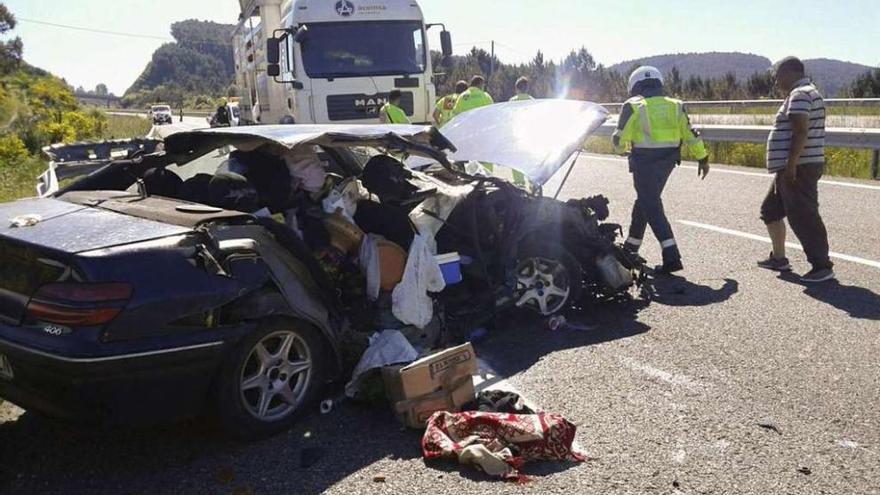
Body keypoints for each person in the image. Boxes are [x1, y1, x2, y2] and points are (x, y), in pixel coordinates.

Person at [613, 66, 710, 274]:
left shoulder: (633, 105)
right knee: (645, 202)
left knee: (652, 206)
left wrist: (621, 150)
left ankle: (671, 254)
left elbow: (618, 138)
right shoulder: (677, 105)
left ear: (636, 85)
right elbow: (691, 134)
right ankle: (630, 248)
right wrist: (703, 158)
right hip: (667, 163)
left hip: (644, 163)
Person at [757, 57, 834, 283]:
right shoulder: (802, 93)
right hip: (791, 167)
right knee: (770, 210)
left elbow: (800, 131)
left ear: (790, 72)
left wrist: (791, 165)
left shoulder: (800, 94)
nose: (776, 81)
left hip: (797, 167)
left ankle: (822, 266)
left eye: (777, 76)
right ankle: (779, 258)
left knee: (803, 216)